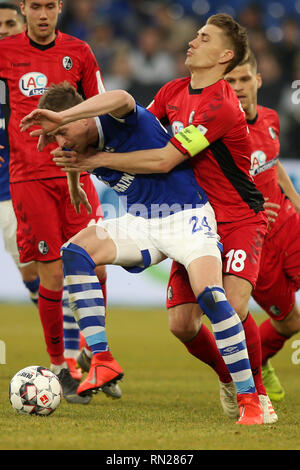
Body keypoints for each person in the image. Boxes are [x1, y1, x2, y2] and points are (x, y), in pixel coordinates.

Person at [54, 14, 278, 424]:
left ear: (224, 55)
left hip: (236, 217)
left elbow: (164, 158)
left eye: (204, 37)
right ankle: (229, 379)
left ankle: (256, 395)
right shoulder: (173, 90)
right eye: (196, 33)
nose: (193, 40)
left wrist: (96, 160)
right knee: (182, 325)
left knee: (230, 303)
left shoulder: (219, 104)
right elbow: (142, 132)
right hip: (180, 211)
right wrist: (73, 143)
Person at [21, 82, 265, 425]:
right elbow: (78, 157)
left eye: (62, 132)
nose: (60, 141)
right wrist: (75, 181)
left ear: (84, 115)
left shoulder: (118, 119)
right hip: (141, 222)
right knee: (74, 251)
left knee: (211, 296)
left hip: (187, 217)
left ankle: (249, 398)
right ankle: (103, 359)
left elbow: (121, 97)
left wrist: (61, 116)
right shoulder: (80, 143)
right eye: (56, 136)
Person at [0, 0, 115, 404]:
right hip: (29, 178)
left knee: (97, 262)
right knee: (51, 275)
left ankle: (95, 352)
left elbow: (102, 108)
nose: (43, 14)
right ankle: (62, 366)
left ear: (60, 8)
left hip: (76, 171)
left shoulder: (79, 52)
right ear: (26, 9)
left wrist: (91, 156)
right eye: (36, 6)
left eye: (50, 5)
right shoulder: (5, 51)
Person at [225, 51, 300, 402]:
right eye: (230, 81)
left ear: (258, 79)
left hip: (289, 225)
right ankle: (260, 358)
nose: (238, 87)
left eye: (244, 79)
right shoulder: (221, 134)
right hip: (257, 244)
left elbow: (274, 165)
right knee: (290, 323)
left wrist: (297, 203)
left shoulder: (270, 118)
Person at [0, 2, 40, 306]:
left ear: (23, 28)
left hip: (14, 189)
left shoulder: (34, 77)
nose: (2, 31)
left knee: (31, 272)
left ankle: (70, 343)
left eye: (9, 24)